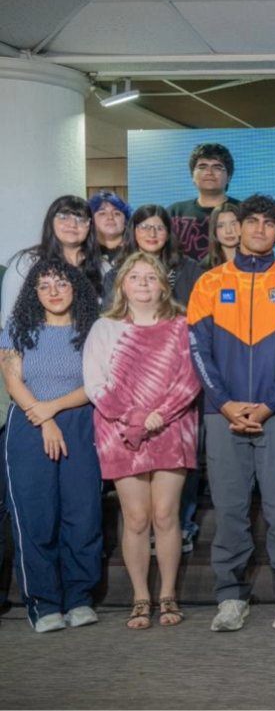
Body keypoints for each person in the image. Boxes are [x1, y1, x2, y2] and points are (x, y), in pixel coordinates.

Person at [187, 193, 275, 632]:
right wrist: (224, 403)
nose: (259, 229)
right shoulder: (209, 283)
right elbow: (198, 350)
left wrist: (269, 405)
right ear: (236, 228)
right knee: (230, 510)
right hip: (222, 414)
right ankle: (230, 597)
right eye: (252, 221)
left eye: (268, 224)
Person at [84, 252, 201, 629]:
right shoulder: (105, 328)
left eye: (151, 277)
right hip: (119, 431)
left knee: (166, 514)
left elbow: (190, 379)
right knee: (135, 517)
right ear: (122, 284)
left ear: (163, 285)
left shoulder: (182, 325)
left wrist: (160, 415)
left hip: (172, 427)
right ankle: (140, 597)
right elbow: (95, 383)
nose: (143, 284)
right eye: (135, 277)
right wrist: (134, 418)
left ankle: (167, 595)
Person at [1, 257, 102, 632]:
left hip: (80, 423)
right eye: (44, 286)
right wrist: (44, 418)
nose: (53, 291)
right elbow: (13, 381)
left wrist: (53, 410)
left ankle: (79, 598)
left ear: (76, 287)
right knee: (35, 516)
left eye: (61, 283)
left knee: (83, 514)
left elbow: (98, 383)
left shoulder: (93, 330)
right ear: (34, 292)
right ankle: (43, 604)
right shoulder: (17, 328)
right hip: (29, 424)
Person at [2, 196, 105, 329]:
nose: (72, 224)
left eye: (81, 219)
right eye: (63, 217)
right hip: (33, 339)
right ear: (51, 222)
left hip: (91, 339)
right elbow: (8, 319)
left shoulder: (102, 267)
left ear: (89, 226)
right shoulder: (26, 262)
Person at [103, 205, 203, 307]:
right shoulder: (116, 274)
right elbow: (110, 313)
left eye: (160, 228)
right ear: (133, 231)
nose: (152, 234)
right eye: (144, 227)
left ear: (168, 234)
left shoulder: (190, 270)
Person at [168, 142, 239, 261]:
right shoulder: (174, 213)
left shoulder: (244, 212)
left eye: (217, 167)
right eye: (202, 167)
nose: (209, 172)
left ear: (229, 177)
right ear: (192, 175)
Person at [89, 190, 131, 272]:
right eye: (102, 213)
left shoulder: (137, 252)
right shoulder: (84, 254)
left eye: (116, 213)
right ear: (91, 221)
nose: (110, 217)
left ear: (126, 221)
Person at [204, 202, 241, 270]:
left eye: (233, 224)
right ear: (214, 230)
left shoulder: (256, 261)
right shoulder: (204, 267)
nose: (228, 231)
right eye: (221, 226)